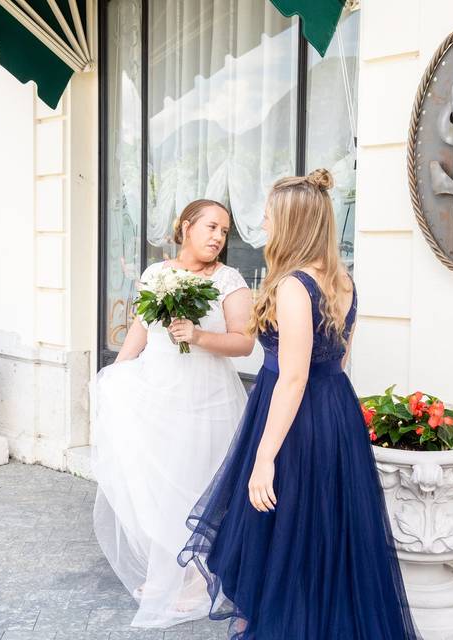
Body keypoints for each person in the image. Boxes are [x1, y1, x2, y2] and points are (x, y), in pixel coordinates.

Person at [179, 170, 420, 639]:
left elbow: (293, 377)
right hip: (334, 413)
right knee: (322, 535)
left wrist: (264, 457)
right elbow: (340, 356)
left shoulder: (292, 285)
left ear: (290, 223)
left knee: (281, 532)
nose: (263, 224)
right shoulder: (343, 280)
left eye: (268, 216)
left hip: (293, 417)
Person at [92, 200, 255, 628]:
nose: (219, 237)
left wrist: (199, 334)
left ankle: (201, 576)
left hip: (207, 399)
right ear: (186, 227)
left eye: (225, 230)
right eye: (211, 226)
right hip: (158, 391)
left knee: (198, 481)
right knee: (160, 483)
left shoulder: (229, 280)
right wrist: (118, 371)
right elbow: (143, 327)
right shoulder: (156, 274)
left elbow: (244, 343)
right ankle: (169, 569)